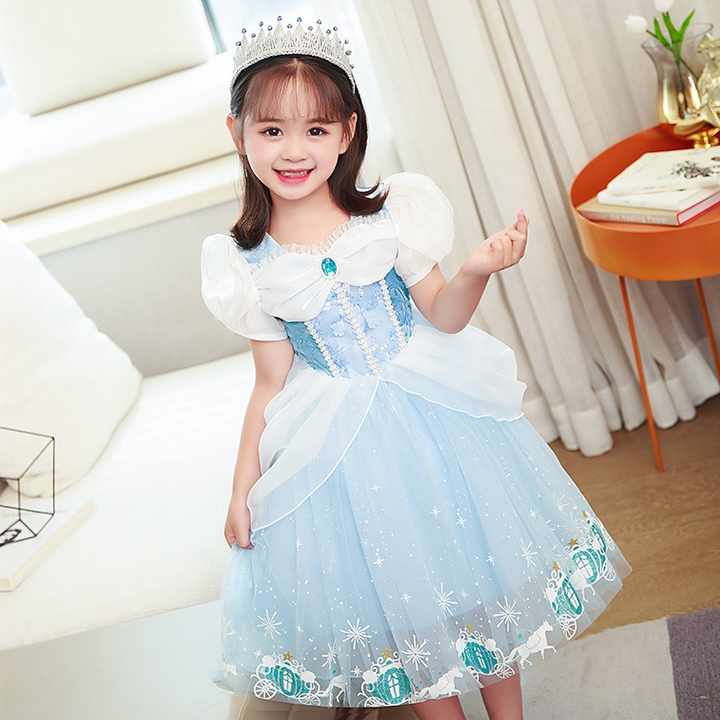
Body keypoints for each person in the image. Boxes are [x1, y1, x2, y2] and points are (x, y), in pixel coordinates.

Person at [200, 15, 633, 720]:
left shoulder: (389, 217)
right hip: (346, 450)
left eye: (315, 129)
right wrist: (241, 486)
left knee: (479, 582)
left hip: (434, 420)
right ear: (237, 133)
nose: (293, 150)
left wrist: (477, 268)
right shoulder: (246, 264)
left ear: (347, 132)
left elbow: (445, 314)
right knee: (412, 614)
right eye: (272, 130)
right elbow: (269, 385)